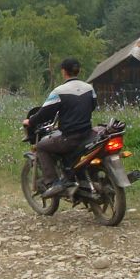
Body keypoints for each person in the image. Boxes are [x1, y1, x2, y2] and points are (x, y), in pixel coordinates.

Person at [23, 57, 97, 198]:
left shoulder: (59, 91)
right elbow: (92, 106)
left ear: (63, 71)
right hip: (88, 134)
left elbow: (44, 113)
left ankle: (53, 183)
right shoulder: (89, 88)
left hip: (70, 138)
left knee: (41, 147)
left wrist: (30, 121)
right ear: (78, 70)